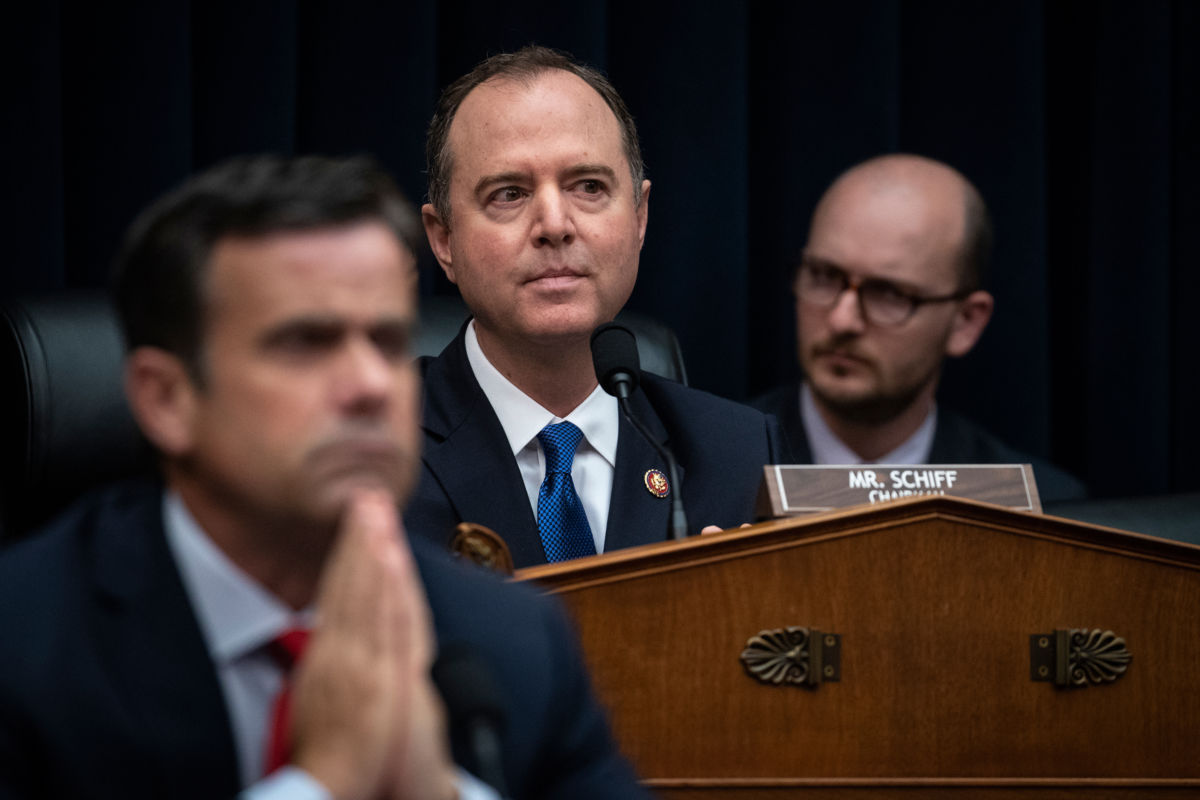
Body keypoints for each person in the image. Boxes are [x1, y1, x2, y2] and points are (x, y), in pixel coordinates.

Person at [0, 155, 650, 799]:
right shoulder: (25, 643)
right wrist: (325, 782)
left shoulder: (512, 640)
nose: (370, 386)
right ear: (167, 400)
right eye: (305, 344)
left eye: (389, 342)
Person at [408, 46, 785, 567]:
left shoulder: (737, 452)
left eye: (589, 187)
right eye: (509, 194)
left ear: (639, 218)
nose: (555, 225)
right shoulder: (373, 449)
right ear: (443, 239)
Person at [751, 154, 1086, 503]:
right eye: (823, 276)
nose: (841, 320)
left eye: (889, 294)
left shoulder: (1043, 513)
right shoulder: (705, 478)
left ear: (965, 322)